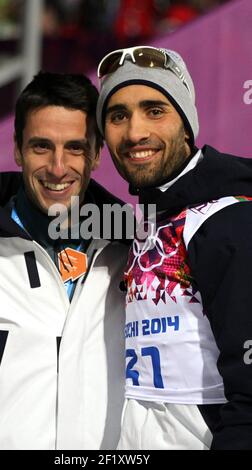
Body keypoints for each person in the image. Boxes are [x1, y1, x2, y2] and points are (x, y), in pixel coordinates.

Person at [0, 72, 129, 450]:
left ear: (97, 153)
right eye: (41, 146)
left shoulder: (133, 257)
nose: (58, 167)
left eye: (76, 148)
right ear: (17, 149)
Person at [96, 45, 252, 450]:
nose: (134, 133)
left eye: (154, 110)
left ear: (186, 125)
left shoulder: (229, 219)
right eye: (118, 116)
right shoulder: (150, 220)